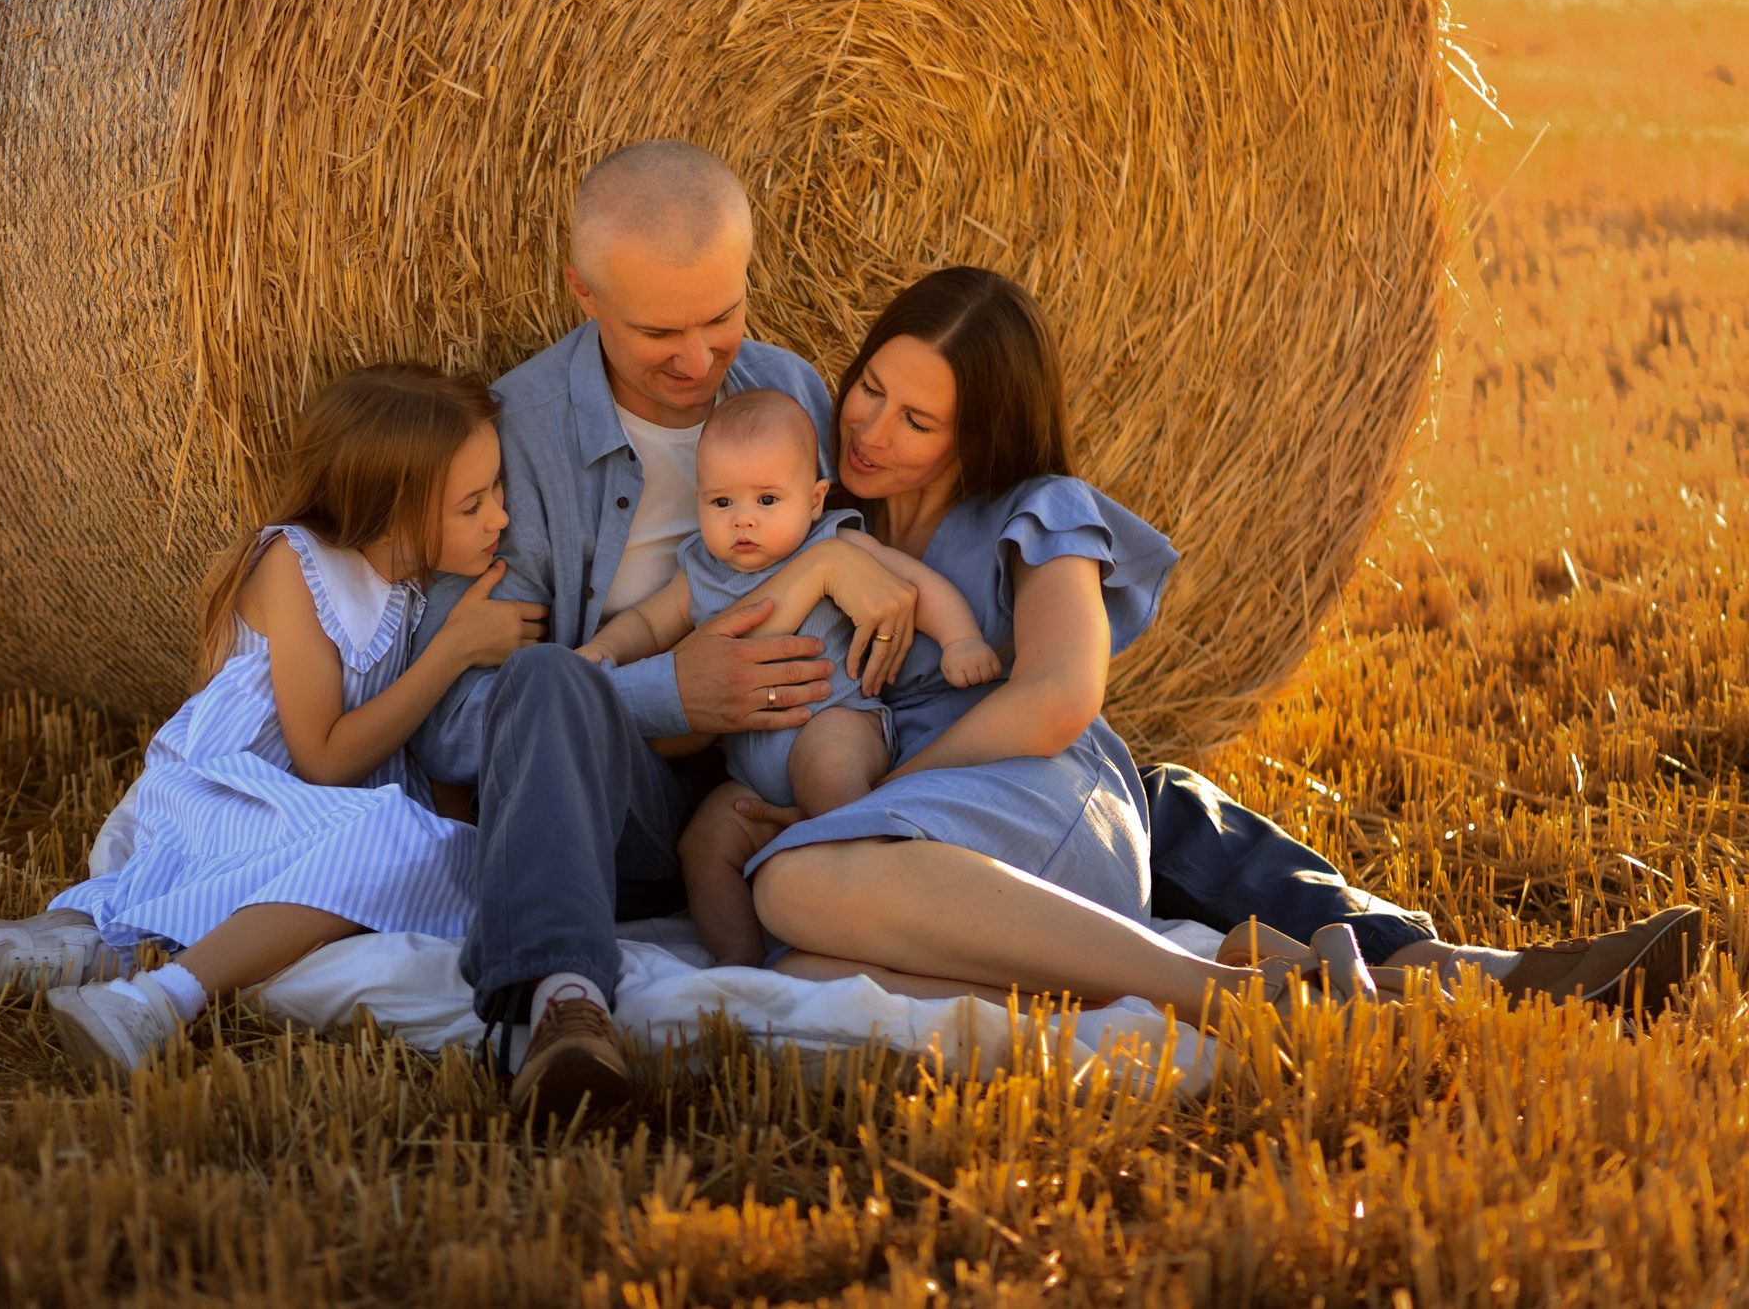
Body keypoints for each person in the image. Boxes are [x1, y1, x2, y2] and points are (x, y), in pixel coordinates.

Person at [405, 141, 1704, 1123]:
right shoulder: (516, 440)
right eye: (658, 331)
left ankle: (1435, 960)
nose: (704, 362)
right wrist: (670, 687)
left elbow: (893, 568)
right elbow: (457, 726)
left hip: (827, 756)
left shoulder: (786, 385)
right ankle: (561, 1010)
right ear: (582, 291)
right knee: (552, 699)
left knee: (1121, 782)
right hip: (645, 793)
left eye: (721, 316)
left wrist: (857, 588)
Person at [741, 266, 1704, 1016]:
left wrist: (884, 799)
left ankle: (1227, 993)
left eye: (918, 419)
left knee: (794, 882)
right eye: (867, 387)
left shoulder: (1038, 512)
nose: (868, 427)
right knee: (810, 959)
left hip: (1029, 796)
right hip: (939, 846)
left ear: (982, 431)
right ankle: (1276, 994)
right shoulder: (822, 512)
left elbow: (1059, 697)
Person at [0, 363, 545, 1071]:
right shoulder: (297, 564)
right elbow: (321, 756)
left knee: (442, 851)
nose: (500, 516)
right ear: (389, 511)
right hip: (235, 795)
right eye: (471, 503)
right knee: (381, 833)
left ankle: (107, 953)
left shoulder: (418, 586)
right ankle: (155, 1000)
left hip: (316, 811)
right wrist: (452, 651)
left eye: (497, 488)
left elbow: (432, 752)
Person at [574, 386, 996, 965]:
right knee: (703, 844)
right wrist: (602, 649)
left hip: (836, 717)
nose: (743, 519)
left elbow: (911, 587)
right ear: (698, 500)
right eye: (721, 503)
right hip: (751, 771)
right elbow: (648, 623)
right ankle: (742, 970)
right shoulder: (700, 568)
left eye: (768, 499)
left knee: (829, 775)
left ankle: (871, 908)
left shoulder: (836, 542)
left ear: (816, 498)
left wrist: (960, 638)